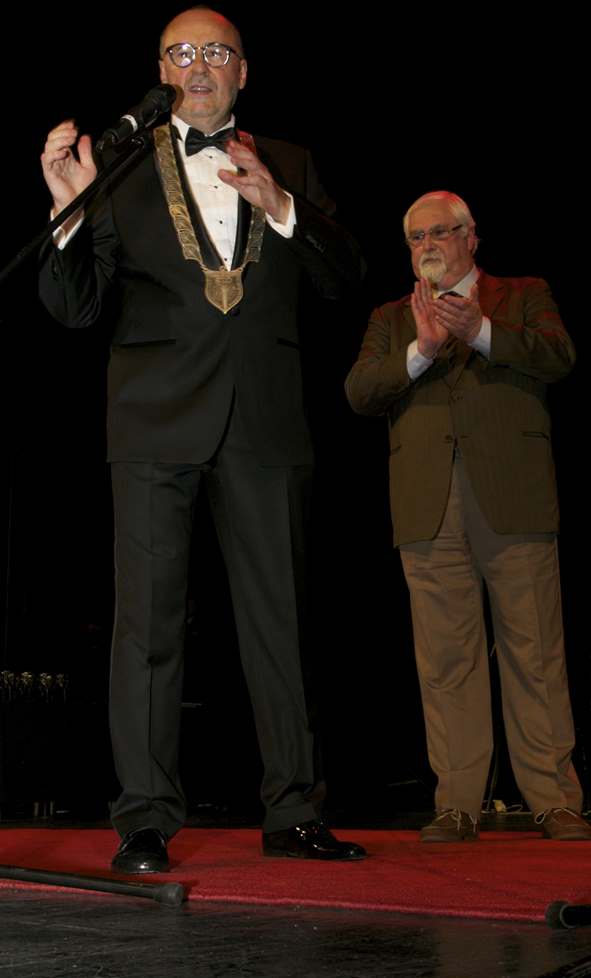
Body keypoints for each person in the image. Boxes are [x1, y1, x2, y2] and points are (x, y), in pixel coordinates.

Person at [39, 6, 366, 872]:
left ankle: (295, 812)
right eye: (181, 52)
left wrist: (282, 206)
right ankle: (144, 818)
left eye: (217, 52)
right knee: (147, 626)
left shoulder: (290, 160)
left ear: (243, 71)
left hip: (265, 419)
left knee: (280, 620)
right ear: (160, 69)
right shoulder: (117, 166)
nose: (199, 65)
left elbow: (346, 278)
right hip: (152, 417)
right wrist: (69, 210)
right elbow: (74, 307)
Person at [345, 191, 591, 842]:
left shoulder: (523, 295)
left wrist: (478, 330)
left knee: (535, 651)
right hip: (427, 505)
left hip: (513, 497)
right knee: (446, 659)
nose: (427, 245)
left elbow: (558, 356)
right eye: (416, 237)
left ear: (470, 237)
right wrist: (423, 350)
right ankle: (457, 803)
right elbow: (360, 391)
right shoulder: (391, 317)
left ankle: (553, 799)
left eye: (439, 233)